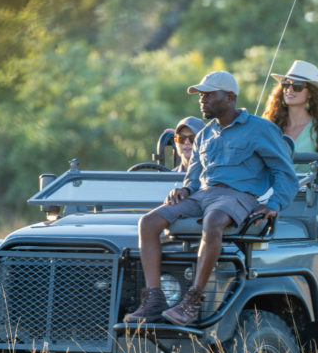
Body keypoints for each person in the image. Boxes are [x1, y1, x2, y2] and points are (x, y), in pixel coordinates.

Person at [126, 70, 298, 326]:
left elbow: (284, 172)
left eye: (207, 95)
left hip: (239, 196)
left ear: (229, 97)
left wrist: (274, 205)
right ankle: (154, 300)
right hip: (204, 195)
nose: (201, 100)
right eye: (200, 95)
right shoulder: (205, 133)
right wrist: (184, 189)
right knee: (148, 223)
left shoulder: (261, 129)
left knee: (213, 220)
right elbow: (194, 176)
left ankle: (192, 301)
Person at [263, 60, 318, 174]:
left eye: (298, 86)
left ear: (311, 93)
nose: (289, 89)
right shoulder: (270, 126)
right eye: (286, 84)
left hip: (305, 191)